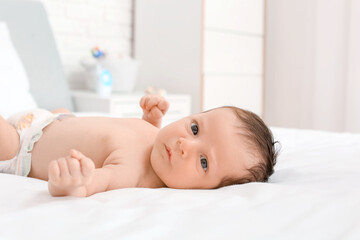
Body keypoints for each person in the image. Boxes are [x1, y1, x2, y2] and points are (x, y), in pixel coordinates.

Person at [0, 94, 278, 197]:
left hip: (24, 147)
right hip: (53, 119)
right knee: (65, 107)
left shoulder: (134, 174)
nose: (184, 144)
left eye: (203, 162)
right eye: (194, 129)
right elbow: (130, 136)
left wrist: (71, 182)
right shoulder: (160, 142)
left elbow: (92, 183)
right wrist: (150, 120)